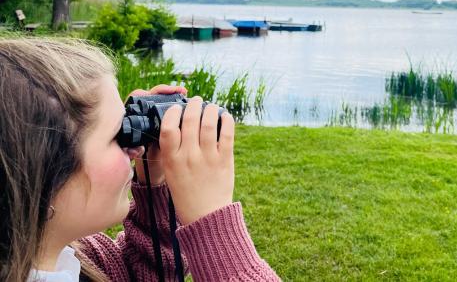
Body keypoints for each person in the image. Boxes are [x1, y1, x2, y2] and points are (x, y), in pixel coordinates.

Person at [0, 37, 280, 281]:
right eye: (118, 135)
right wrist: (215, 231)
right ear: (44, 174)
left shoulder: (79, 257)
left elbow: (145, 271)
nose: (134, 149)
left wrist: (153, 191)